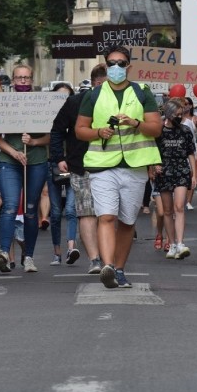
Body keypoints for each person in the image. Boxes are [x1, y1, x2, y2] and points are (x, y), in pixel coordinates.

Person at [76, 46, 163, 289]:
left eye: (121, 63)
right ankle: (109, 267)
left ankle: (120, 268)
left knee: (126, 221)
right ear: (105, 66)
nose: (116, 67)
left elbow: (156, 129)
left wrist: (136, 123)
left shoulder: (142, 92)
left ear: (129, 66)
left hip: (134, 167)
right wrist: (98, 132)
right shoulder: (93, 95)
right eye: (111, 63)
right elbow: (80, 130)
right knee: (106, 216)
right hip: (102, 166)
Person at [50, 64, 107, 274]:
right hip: (81, 165)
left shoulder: (119, 103)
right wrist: (58, 158)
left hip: (111, 165)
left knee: (108, 214)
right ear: (97, 83)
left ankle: (106, 255)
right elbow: (57, 129)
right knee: (86, 212)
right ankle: (95, 259)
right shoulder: (74, 102)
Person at [0, 64, 50, 273]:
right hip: (10, 162)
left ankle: (29, 256)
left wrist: (33, 142)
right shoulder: (4, 103)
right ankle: (4, 252)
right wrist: (14, 152)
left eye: (27, 78)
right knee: (9, 205)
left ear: (32, 79)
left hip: (36, 162)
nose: (23, 82)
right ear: (13, 80)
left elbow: (50, 137)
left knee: (30, 209)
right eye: (19, 78)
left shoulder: (42, 103)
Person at [153, 98, 197, 260]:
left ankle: (180, 242)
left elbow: (191, 153)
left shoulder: (185, 130)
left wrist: (194, 174)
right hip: (164, 171)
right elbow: (152, 150)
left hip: (181, 170)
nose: (181, 117)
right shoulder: (159, 131)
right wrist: (155, 165)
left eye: (182, 114)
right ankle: (171, 243)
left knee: (179, 206)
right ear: (170, 114)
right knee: (167, 210)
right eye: (178, 114)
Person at [45, 82, 78, 266]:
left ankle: (71, 247)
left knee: (72, 209)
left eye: (66, 97)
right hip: (53, 165)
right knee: (56, 212)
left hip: (73, 165)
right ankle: (57, 252)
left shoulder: (77, 116)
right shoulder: (47, 118)